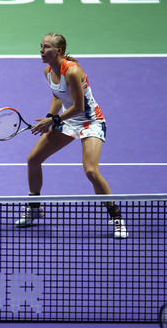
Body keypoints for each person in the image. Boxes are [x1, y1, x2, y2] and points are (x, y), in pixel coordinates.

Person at [15, 33, 128, 239]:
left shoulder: (73, 71)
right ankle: (34, 208)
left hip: (90, 121)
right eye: (40, 46)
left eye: (46, 47)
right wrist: (50, 116)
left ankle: (116, 218)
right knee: (33, 159)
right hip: (67, 120)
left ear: (58, 51)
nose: (41, 50)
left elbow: (79, 107)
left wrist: (54, 121)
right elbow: (57, 95)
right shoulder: (48, 70)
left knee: (91, 171)